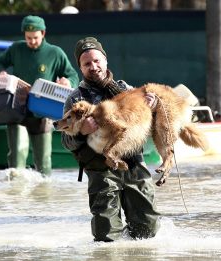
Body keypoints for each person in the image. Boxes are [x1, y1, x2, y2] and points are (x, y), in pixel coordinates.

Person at [61, 37, 160, 242]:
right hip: (100, 170)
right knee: (106, 237)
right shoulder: (75, 99)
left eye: (97, 61)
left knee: (147, 231)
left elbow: (152, 126)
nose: (93, 67)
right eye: (87, 64)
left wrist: (155, 108)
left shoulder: (127, 90)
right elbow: (66, 141)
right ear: (80, 67)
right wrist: (82, 131)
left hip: (133, 164)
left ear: (105, 61)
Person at [0, 15, 79, 176]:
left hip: (44, 110)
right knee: (16, 155)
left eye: (35, 37)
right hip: (17, 108)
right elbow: (0, 61)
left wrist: (68, 82)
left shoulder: (55, 53)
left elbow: (73, 75)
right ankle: (15, 192)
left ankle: (44, 194)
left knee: (43, 160)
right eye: (28, 38)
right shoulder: (16, 49)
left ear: (43, 33)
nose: (32, 41)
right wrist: (1, 72)